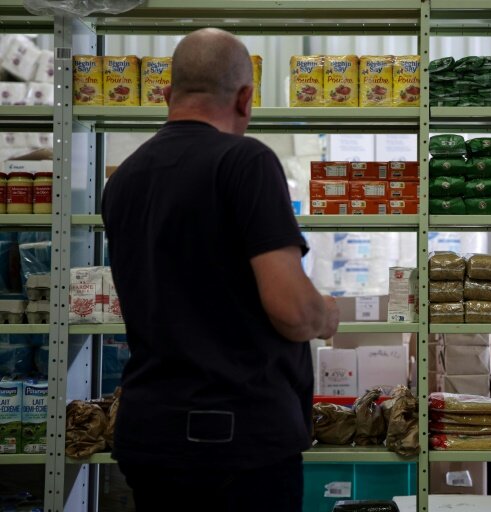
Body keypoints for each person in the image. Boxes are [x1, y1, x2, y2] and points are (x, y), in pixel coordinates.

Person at [101, 28, 339, 511]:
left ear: (167, 95)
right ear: (246, 98)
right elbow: (292, 312)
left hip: (150, 434)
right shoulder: (244, 161)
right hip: (235, 443)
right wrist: (325, 314)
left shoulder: (124, 178)